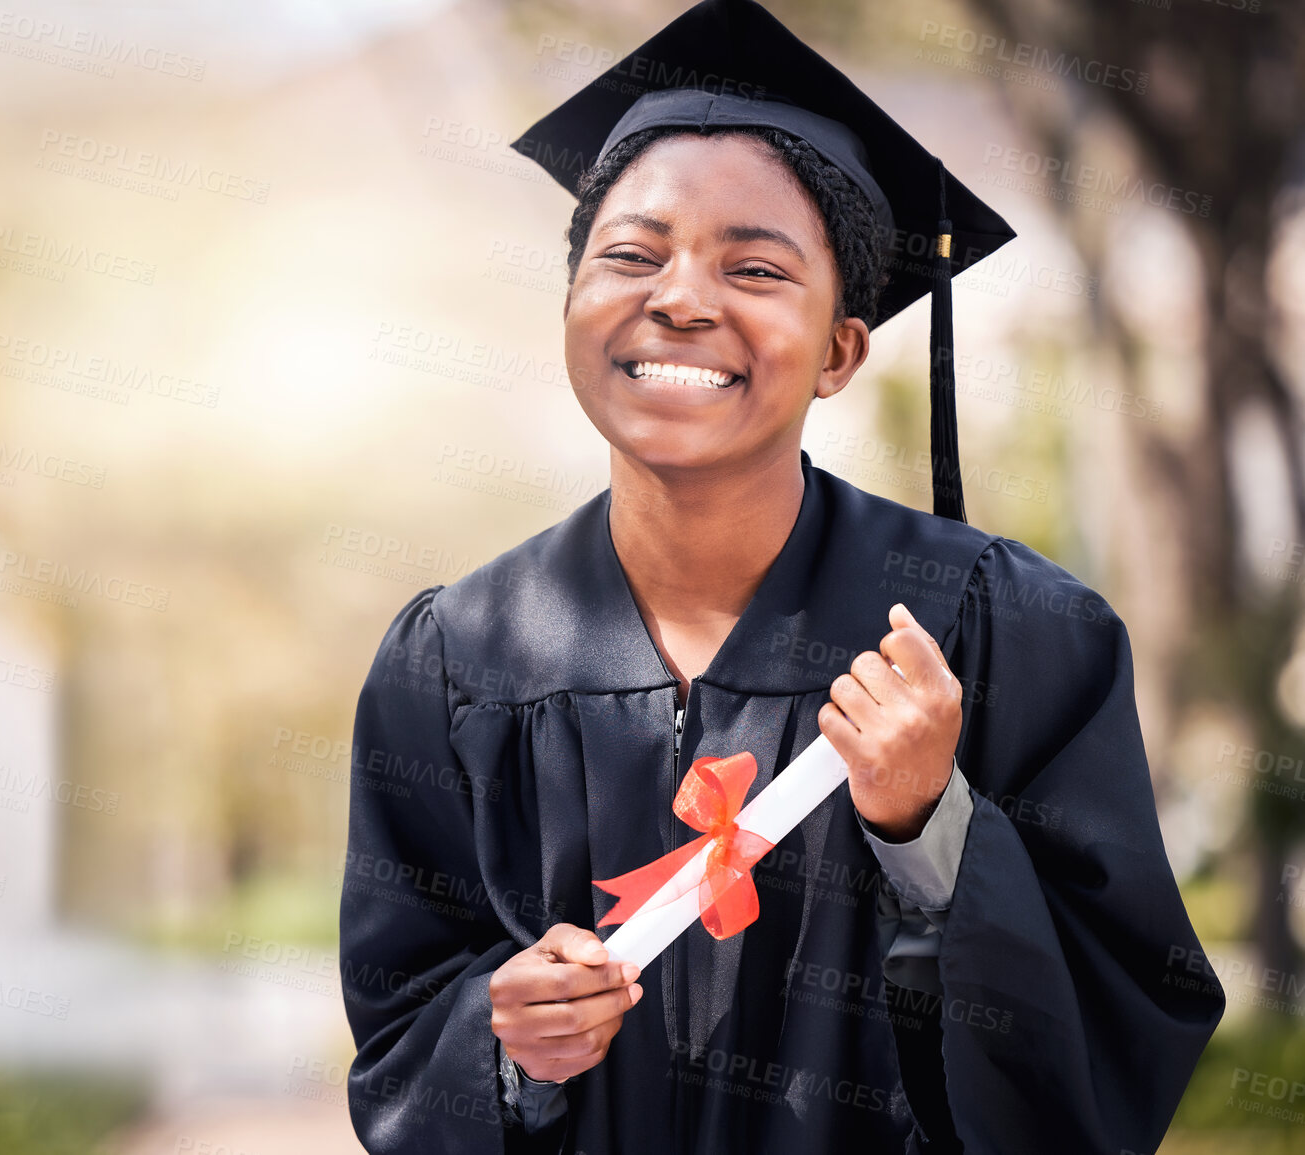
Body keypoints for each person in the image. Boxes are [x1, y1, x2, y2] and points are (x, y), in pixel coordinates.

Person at [338, 2, 1226, 1152]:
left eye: (755, 267)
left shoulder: (1007, 631)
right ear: (572, 303)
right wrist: (505, 1052)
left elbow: (1119, 1035)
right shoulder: (458, 660)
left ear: (841, 350)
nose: (683, 298)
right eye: (631, 254)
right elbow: (401, 1041)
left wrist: (930, 827)